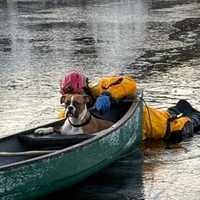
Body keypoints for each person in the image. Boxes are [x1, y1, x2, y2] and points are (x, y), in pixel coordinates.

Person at [59, 71, 200, 143]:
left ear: (84, 89)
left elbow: (129, 83)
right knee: (170, 114)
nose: (74, 100)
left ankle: (193, 117)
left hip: (150, 122)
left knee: (179, 128)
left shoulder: (101, 86)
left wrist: (107, 94)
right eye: (69, 98)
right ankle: (175, 110)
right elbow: (63, 122)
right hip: (125, 128)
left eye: (77, 95)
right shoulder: (71, 112)